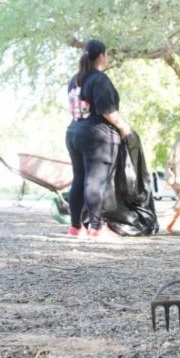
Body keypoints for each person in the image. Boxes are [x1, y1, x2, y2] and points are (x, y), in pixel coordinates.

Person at [65, 40, 133, 240]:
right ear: (102, 55)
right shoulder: (99, 79)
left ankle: (75, 227)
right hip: (97, 135)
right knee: (95, 180)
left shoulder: (75, 79)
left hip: (74, 131)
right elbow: (107, 111)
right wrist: (123, 127)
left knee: (79, 179)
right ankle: (96, 227)